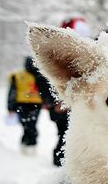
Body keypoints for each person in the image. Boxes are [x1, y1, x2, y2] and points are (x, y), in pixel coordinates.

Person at [35, 17, 92, 166]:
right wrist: (53, 101)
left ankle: (67, 163)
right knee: (64, 134)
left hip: (76, 105)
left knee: (76, 134)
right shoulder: (60, 55)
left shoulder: (84, 56)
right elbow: (47, 82)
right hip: (61, 106)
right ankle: (60, 164)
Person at [8, 56, 43, 155]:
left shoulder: (38, 76)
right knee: (28, 126)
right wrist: (10, 107)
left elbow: (12, 92)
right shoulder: (19, 76)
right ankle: (28, 145)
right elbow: (12, 92)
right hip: (26, 104)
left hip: (30, 104)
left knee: (29, 125)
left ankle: (28, 145)